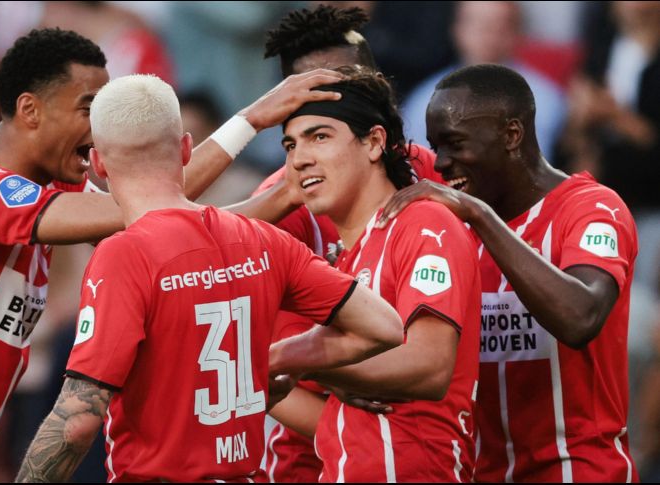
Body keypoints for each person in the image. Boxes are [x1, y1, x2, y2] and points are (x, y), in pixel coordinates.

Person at [0, 27, 345, 482]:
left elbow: (179, 221)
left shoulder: (53, 188)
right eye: (89, 107)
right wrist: (250, 120)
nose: (101, 127)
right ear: (31, 110)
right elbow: (155, 196)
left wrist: (288, 192)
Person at [15, 73, 403, 483]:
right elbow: (384, 327)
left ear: (98, 163)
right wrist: (273, 362)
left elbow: (77, 421)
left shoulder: (124, 254)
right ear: (185, 149)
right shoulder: (264, 240)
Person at [380, 64, 639, 482]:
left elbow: (581, 316)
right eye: (435, 146)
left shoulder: (592, 209)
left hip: (579, 472)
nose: (442, 163)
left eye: (455, 143)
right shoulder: (451, 230)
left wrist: (480, 217)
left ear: (512, 135)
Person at [257, 6, 444, 481]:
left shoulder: (435, 184)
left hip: (419, 444)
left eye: (350, 79)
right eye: (316, 90)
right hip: (305, 454)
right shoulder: (284, 200)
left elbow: (437, 362)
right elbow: (255, 356)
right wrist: (338, 401)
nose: (338, 97)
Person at [281, 66, 480, 482]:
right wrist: (256, 372)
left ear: (373, 142)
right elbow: (340, 423)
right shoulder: (344, 264)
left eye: (320, 137)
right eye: (290, 145)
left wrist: (290, 361)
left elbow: (430, 366)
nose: (299, 158)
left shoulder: (424, 223)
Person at [402, 1, 567, 161]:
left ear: (518, 32)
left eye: (500, 26)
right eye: (480, 26)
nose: (490, 36)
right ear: (457, 29)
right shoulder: (424, 101)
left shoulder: (548, 100)